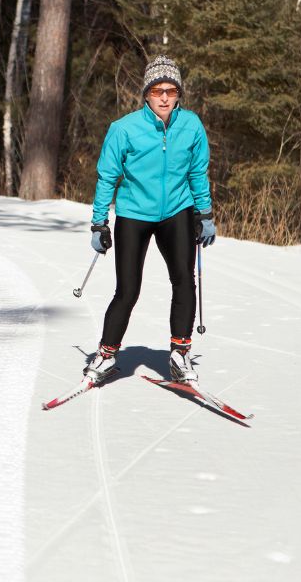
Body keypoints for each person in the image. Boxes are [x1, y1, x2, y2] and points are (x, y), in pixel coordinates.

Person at [82, 56, 216, 385]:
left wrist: (205, 212)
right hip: (133, 215)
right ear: (146, 93)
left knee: (184, 281)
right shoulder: (124, 129)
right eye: (158, 91)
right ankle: (106, 353)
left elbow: (198, 172)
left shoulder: (191, 126)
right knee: (128, 289)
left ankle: (180, 353)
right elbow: (107, 177)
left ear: (179, 93)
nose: (165, 97)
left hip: (177, 212)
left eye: (172, 90)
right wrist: (100, 222)